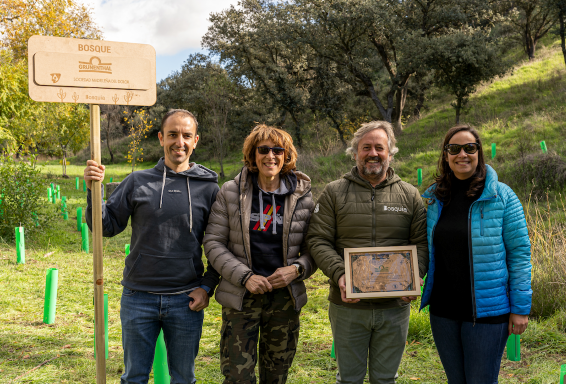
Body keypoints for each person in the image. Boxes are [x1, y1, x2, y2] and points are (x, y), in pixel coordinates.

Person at [84, 109, 220, 384]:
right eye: (172, 135)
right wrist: (93, 190)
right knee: (134, 377)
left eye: (186, 136)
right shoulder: (137, 181)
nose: (178, 142)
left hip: (186, 300)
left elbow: (220, 244)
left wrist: (207, 287)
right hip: (138, 298)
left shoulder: (210, 189)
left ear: (195, 141)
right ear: (161, 138)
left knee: (183, 378)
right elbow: (107, 227)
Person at [306, 120, 428, 384]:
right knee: (349, 379)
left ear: (390, 152)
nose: (373, 153)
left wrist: (414, 275)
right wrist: (340, 274)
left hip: (394, 308)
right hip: (348, 306)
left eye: (379, 147)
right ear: (355, 152)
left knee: (386, 379)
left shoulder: (409, 195)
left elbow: (421, 243)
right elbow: (318, 239)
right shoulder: (334, 192)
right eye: (366, 147)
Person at [202, 124, 316, 384]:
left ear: (287, 156)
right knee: (237, 376)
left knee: (276, 375)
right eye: (263, 150)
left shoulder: (303, 197)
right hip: (242, 298)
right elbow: (213, 243)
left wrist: (296, 270)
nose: (271, 156)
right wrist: (245, 277)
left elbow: (314, 248)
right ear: (252, 155)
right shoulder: (231, 192)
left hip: (284, 299)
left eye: (278, 150)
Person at [419, 124, 532, 384]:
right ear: (446, 155)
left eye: (469, 148)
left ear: (479, 152)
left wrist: (520, 308)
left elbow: (519, 254)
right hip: (443, 311)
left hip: (488, 314)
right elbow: (422, 248)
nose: (463, 154)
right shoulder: (434, 198)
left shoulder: (502, 196)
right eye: (454, 149)